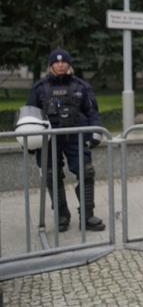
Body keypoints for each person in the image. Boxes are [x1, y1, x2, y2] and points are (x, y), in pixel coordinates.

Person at [27, 49, 106, 232]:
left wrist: (96, 133)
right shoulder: (39, 88)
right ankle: (62, 216)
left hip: (76, 138)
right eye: (56, 62)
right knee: (51, 176)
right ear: (51, 65)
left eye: (64, 62)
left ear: (69, 64)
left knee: (86, 172)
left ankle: (87, 216)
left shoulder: (81, 87)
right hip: (48, 141)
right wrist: (29, 140)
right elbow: (30, 115)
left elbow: (92, 111)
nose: (60, 64)